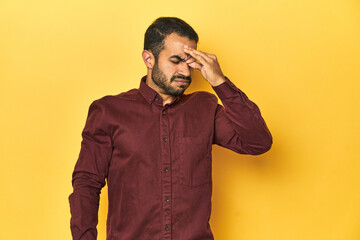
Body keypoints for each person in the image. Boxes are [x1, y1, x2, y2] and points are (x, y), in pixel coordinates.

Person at [69, 17, 272, 240]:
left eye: (190, 63)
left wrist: (220, 82)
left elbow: (258, 142)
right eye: (175, 61)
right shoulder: (108, 111)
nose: (185, 72)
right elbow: (86, 184)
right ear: (149, 58)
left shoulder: (205, 108)